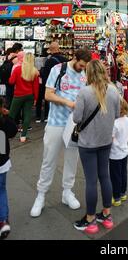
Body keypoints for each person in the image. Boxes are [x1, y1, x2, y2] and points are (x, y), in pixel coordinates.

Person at [30, 48, 92, 218]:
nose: (82, 68)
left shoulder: (85, 74)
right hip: (56, 122)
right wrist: (68, 103)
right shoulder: (58, 70)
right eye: (81, 65)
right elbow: (48, 95)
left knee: (72, 159)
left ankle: (67, 192)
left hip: (74, 124)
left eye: (85, 66)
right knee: (48, 159)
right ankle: (41, 195)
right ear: (75, 58)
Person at [73, 60, 120, 234]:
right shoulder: (114, 91)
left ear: (89, 73)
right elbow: (115, 115)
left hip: (88, 143)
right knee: (105, 177)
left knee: (91, 181)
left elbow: (76, 119)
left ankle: (91, 219)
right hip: (105, 140)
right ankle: (106, 215)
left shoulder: (84, 92)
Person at [8, 53, 39, 143]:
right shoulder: (35, 71)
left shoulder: (17, 69)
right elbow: (36, 87)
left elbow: (11, 81)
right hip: (29, 95)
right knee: (27, 115)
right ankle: (23, 136)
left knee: (11, 115)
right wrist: (35, 98)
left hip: (18, 95)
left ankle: (7, 132)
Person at [36, 41, 67, 123]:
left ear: (50, 50)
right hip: (62, 85)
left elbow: (45, 74)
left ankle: (46, 116)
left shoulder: (48, 61)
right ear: (58, 48)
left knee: (48, 99)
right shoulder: (65, 60)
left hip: (50, 84)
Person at [0, 97, 18, 239]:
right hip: (1, 160)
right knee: (1, 190)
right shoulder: (3, 121)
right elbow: (13, 131)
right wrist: (7, 115)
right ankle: (4, 220)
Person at [109, 98, 128, 207]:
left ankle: (116, 197)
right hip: (125, 151)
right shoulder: (127, 120)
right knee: (123, 173)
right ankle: (123, 193)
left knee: (115, 176)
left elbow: (112, 139)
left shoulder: (114, 123)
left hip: (115, 154)